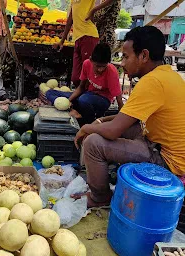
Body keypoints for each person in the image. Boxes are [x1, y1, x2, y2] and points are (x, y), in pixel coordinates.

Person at [73, 26, 185, 208]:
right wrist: (100, 121)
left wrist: (86, 128)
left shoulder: (152, 82)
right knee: (109, 129)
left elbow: (112, 131)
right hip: (156, 142)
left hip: (167, 161)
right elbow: (125, 118)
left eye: (125, 56)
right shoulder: (168, 76)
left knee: (93, 143)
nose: (122, 63)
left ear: (144, 56)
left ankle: (100, 197)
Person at [46, 43, 123, 124]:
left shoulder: (112, 71)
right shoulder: (86, 64)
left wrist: (122, 117)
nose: (100, 70)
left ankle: (87, 120)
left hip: (103, 100)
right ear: (91, 60)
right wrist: (68, 102)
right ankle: (72, 110)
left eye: (103, 66)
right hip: (87, 94)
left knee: (83, 99)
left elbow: (119, 98)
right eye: (97, 66)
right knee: (50, 93)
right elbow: (81, 87)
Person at [54, 0, 99, 87]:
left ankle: (86, 98)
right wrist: (62, 41)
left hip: (89, 36)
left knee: (87, 76)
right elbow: (70, 19)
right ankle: (80, 97)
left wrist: (94, 10)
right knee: (75, 78)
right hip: (77, 39)